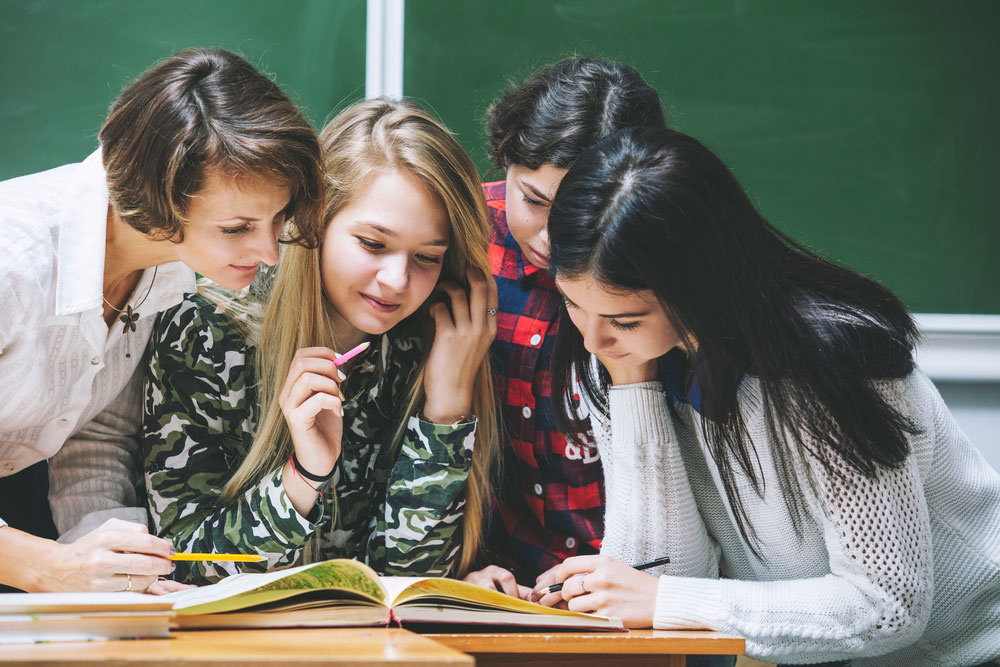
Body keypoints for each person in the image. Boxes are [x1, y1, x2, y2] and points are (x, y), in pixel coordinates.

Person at [530, 126, 1000, 666]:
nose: (593, 340)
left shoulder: (834, 365)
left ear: (698, 287)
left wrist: (665, 600)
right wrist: (634, 388)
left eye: (624, 319)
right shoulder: (620, 356)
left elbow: (885, 606)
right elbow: (662, 575)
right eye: (572, 303)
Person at [0, 48, 323, 593]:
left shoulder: (169, 272)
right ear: (156, 201)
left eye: (277, 220)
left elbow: (95, 434)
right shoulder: (13, 262)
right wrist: (48, 567)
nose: (270, 252)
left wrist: (124, 565)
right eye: (237, 227)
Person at [141, 98, 500, 585]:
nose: (397, 280)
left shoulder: (430, 346)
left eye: (428, 257)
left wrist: (445, 413)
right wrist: (304, 475)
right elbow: (182, 564)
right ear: (315, 221)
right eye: (373, 244)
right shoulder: (206, 328)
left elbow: (408, 584)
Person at [463, 57, 667, 595]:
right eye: (533, 200)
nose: (553, 238)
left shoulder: (666, 272)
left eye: (581, 209)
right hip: (496, 585)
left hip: (636, 583)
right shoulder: (454, 240)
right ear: (504, 160)